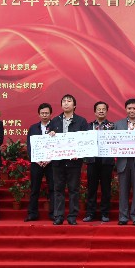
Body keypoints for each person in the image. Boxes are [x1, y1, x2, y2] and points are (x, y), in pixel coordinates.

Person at [48, 94, 90, 226]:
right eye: (64, 101)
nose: (66, 103)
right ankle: (58, 216)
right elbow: (48, 141)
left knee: (74, 189)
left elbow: (85, 140)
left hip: (74, 161)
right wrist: (50, 135)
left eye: (69, 101)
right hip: (58, 161)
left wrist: (79, 153)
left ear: (74, 105)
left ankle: (72, 216)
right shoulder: (54, 121)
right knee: (58, 189)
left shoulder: (81, 121)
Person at [83, 101, 114, 223]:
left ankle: (105, 213)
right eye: (98, 109)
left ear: (107, 111)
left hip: (107, 161)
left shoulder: (112, 126)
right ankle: (90, 213)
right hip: (92, 160)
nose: (101, 111)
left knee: (106, 189)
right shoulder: (88, 126)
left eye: (103, 109)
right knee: (91, 188)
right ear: (94, 112)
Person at [24, 102, 54, 222]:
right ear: (39, 114)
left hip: (51, 163)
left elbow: (58, 145)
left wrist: (49, 159)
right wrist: (36, 159)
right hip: (36, 163)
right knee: (34, 189)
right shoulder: (33, 128)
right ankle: (32, 213)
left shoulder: (56, 127)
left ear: (51, 114)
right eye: (42, 113)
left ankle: (54, 214)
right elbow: (29, 146)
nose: (44, 115)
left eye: (46, 113)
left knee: (53, 188)